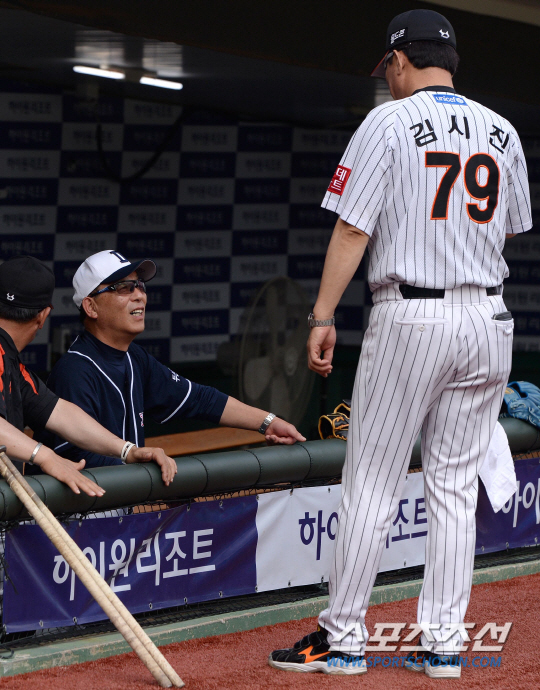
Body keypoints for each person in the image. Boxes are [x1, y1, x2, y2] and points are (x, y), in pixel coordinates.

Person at [269, 9, 531, 678]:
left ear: (398, 60)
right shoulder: (502, 130)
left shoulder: (387, 121)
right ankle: (443, 642)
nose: (386, 76)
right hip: (489, 318)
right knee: (454, 486)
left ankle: (344, 637)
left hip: (412, 314)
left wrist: (322, 313)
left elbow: (352, 229)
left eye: (387, 65)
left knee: (371, 483)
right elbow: (505, 230)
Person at [37, 249, 304, 467]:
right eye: (124, 288)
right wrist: (143, 468)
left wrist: (268, 422)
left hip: (124, 507)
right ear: (91, 306)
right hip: (81, 514)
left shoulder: (135, 358)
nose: (139, 295)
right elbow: (75, 457)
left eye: (139, 285)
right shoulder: (74, 370)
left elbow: (199, 398)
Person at [0, 255, 178, 496]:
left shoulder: (13, 364)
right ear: (43, 316)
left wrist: (127, 451)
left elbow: (60, 413)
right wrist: (44, 456)